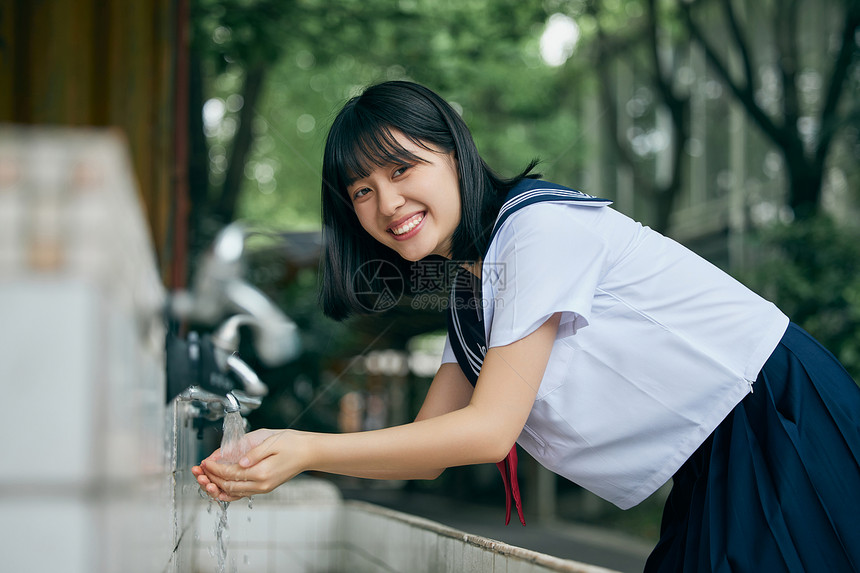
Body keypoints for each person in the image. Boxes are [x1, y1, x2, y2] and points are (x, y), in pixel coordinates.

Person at [193, 81, 860, 572]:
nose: (387, 203)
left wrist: (309, 447)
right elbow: (432, 447)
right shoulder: (471, 294)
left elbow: (488, 430)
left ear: (453, 152)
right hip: (719, 448)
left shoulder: (534, 229)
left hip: (775, 414)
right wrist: (277, 453)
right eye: (361, 190)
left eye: (401, 168)